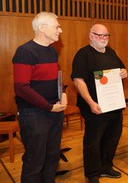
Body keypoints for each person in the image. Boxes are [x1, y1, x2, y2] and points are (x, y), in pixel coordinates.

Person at [12, 12, 68, 182]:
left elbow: (55, 79)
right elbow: (21, 88)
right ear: (42, 28)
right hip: (34, 114)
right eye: (57, 26)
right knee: (35, 161)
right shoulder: (25, 51)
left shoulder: (52, 52)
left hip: (54, 111)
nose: (61, 30)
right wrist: (49, 107)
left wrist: (63, 93)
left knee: (51, 157)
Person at [71, 24, 127, 183]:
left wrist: (124, 72)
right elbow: (78, 80)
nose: (103, 39)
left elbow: (121, 70)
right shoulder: (83, 55)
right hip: (95, 107)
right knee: (93, 142)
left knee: (112, 138)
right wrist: (90, 103)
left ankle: (106, 167)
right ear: (90, 35)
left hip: (114, 105)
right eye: (99, 35)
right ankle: (92, 174)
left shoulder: (111, 52)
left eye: (106, 36)